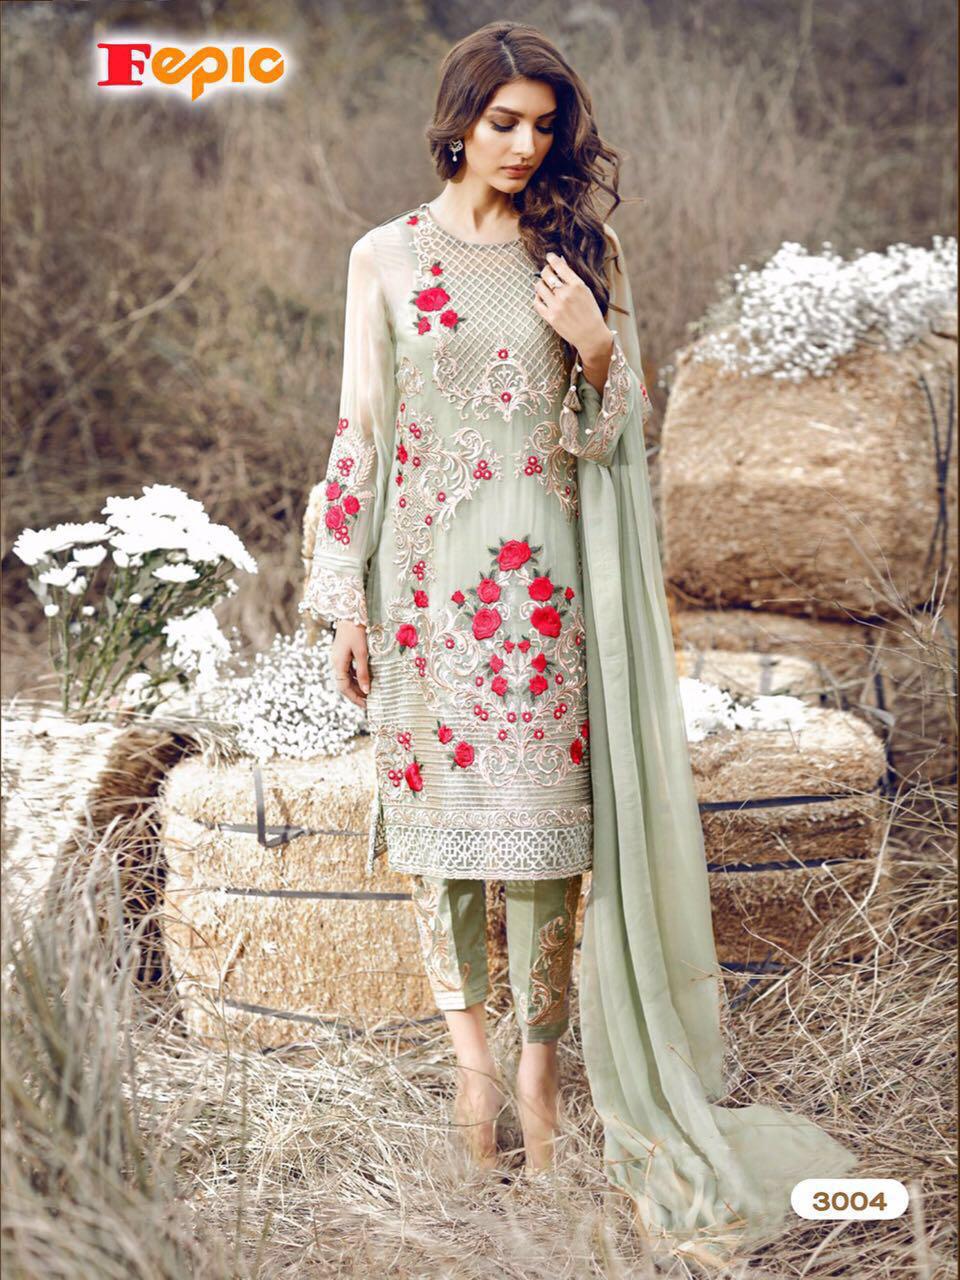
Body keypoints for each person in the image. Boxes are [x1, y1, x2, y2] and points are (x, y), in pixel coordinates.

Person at [300, 20, 859, 1264]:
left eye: (544, 126)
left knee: (551, 847)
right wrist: (344, 599)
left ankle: (543, 1079)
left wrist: (597, 346)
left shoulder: (580, 252)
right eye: (503, 121)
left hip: (546, 597)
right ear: (458, 119)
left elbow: (618, 439)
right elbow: (360, 435)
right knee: (439, 845)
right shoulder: (383, 257)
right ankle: (475, 1075)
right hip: (425, 592)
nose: (524, 144)